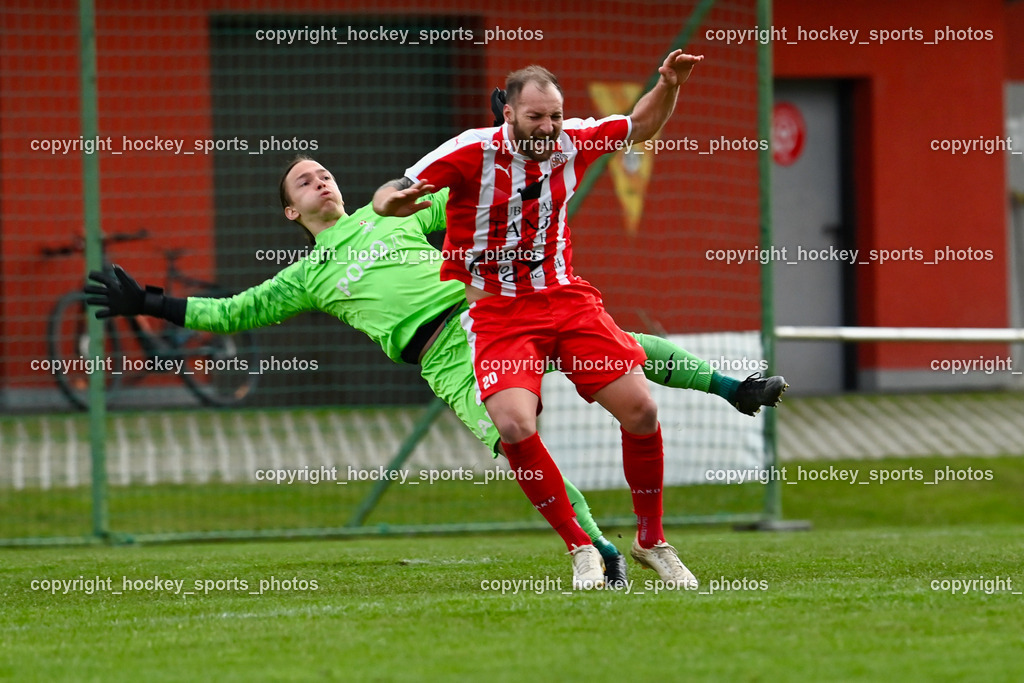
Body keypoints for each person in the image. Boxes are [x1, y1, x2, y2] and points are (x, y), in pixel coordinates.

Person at [87, 155, 785, 589]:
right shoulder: (306, 275)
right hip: (446, 355)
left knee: (621, 351)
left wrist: (501, 141)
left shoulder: (388, 214)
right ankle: (599, 550)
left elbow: (468, 194)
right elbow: (234, 311)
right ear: (291, 210)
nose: (319, 177)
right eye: (303, 179)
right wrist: (144, 301)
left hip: (497, 312)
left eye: (322, 169)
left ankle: (737, 389)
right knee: (515, 437)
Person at [373, 50, 753, 590]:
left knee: (642, 410)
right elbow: (389, 190)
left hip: (566, 301)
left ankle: (651, 541)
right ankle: (581, 547)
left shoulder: (575, 138)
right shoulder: (468, 151)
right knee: (514, 425)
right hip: (499, 314)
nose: (549, 127)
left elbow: (641, 123)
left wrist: (669, 82)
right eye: (536, 118)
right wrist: (394, 205)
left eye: (554, 115)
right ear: (508, 113)